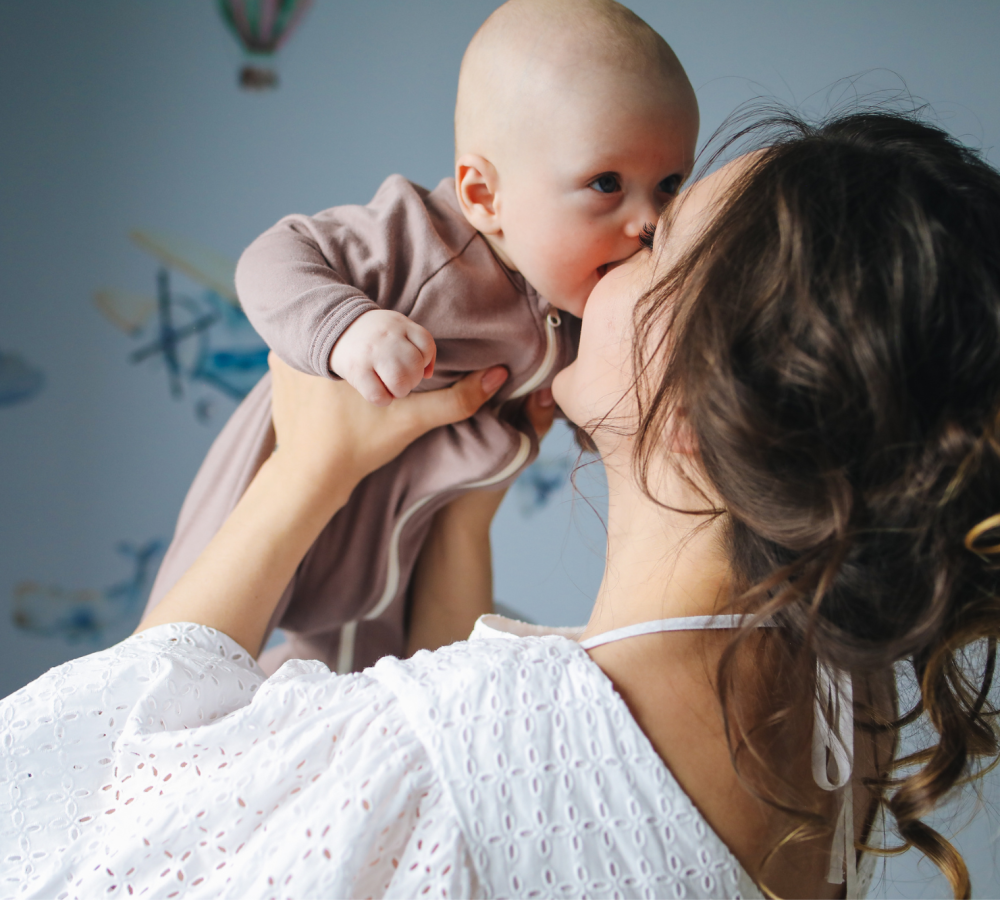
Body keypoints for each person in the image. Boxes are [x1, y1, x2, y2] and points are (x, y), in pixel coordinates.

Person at [4, 108, 1000, 899]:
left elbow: (70, 809)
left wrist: (305, 473)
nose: (611, 248)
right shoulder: (831, 715)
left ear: (698, 404)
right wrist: (465, 513)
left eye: (656, 245)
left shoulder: (454, 756)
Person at [142, 0, 699, 676]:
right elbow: (273, 256)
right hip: (286, 476)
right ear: (483, 194)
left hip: (400, 538)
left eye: (669, 187)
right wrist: (347, 327)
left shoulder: (581, 300)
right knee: (178, 662)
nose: (648, 221)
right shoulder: (422, 242)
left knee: (361, 687)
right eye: (606, 184)